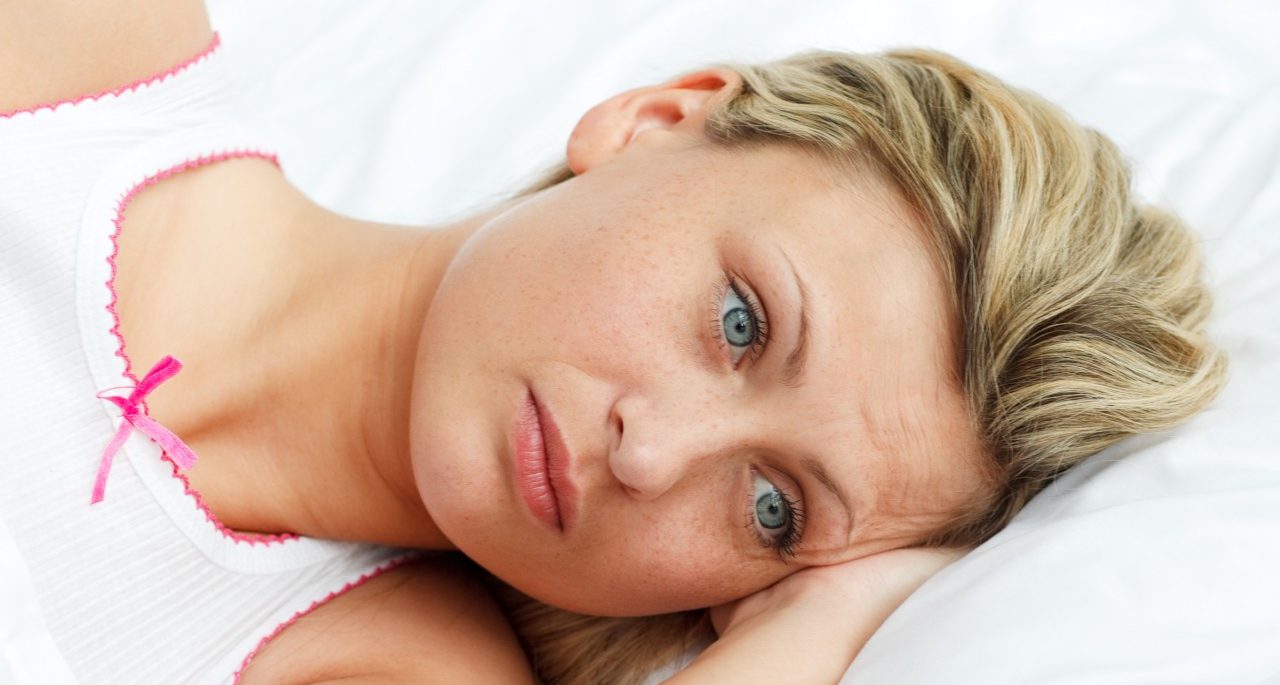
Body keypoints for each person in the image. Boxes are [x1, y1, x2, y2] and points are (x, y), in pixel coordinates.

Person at [0, 1, 1227, 684]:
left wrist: (823, 624)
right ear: (655, 120)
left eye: (770, 510)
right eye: (741, 322)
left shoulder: (378, 667)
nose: (653, 456)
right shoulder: (82, 56)